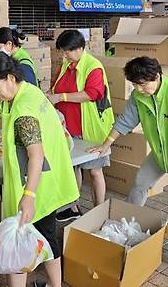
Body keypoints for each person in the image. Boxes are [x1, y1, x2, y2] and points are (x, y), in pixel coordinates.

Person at [89, 57, 168, 279]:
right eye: (135, 84)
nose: (139, 89)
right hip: (161, 155)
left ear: (157, 77)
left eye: (143, 84)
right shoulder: (139, 95)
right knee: (139, 184)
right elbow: (126, 120)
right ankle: (126, 228)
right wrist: (105, 144)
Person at [0, 52, 80, 287]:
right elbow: (15, 124)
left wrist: (29, 196)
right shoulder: (30, 92)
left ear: (10, 78)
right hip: (50, 181)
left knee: (16, 247)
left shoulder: (23, 110)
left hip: (34, 186)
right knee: (48, 238)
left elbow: (36, 153)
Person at [48, 30, 114, 221]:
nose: (64, 55)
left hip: (90, 129)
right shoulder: (66, 65)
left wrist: (61, 97)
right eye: (63, 51)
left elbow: (92, 93)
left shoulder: (93, 67)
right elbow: (55, 87)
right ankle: (74, 208)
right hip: (69, 127)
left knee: (94, 171)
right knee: (73, 169)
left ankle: (99, 212)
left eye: (68, 51)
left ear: (80, 48)